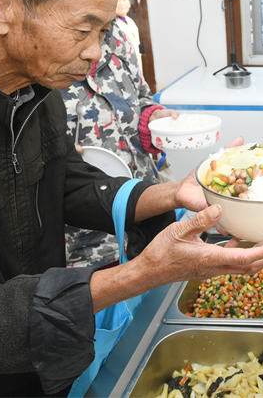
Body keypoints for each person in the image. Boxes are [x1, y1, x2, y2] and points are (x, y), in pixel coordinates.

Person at [0, 0, 263, 396]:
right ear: (0, 5)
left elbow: (66, 182)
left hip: (35, 351)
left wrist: (172, 193)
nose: (96, 53)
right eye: (83, 31)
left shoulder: (35, 85)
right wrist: (140, 273)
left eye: (104, 33)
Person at [61, 18, 177, 269]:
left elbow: (141, 95)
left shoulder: (119, 34)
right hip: (86, 244)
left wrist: (152, 118)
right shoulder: (41, 53)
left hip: (143, 214)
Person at [114, 0, 143, 73]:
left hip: (136, 63)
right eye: (118, 1)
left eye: (124, 0)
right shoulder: (113, 23)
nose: (122, 4)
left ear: (129, 3)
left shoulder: (130, 21)